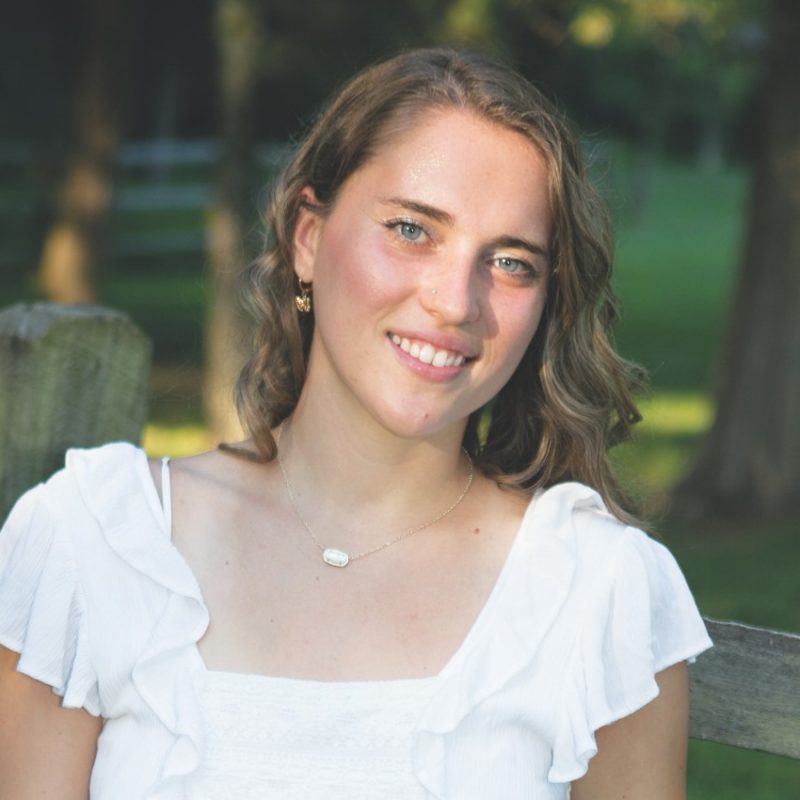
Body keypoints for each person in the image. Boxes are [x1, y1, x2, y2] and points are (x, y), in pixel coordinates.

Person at [0, 48, 711, 799]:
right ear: (308, 237)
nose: (455, 301)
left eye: (510, 262)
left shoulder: (598, 593)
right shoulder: (95, 542)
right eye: (412, 230)